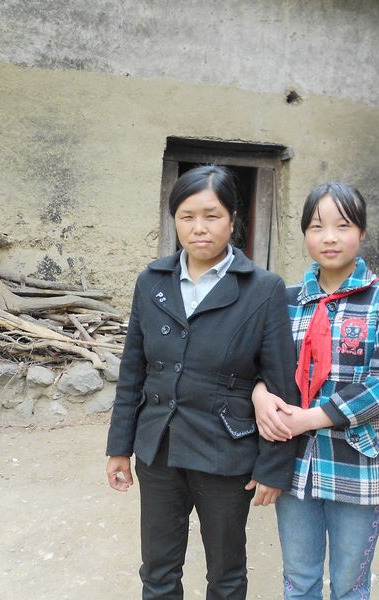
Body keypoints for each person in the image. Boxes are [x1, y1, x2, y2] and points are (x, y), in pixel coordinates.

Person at [105, 165, 299, 600]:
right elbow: (133, 370)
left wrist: (273, 465)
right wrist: (119, 446)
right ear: (174, 220)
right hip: (159, 449)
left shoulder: (263, 288)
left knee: (226, 575)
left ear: (233, 219)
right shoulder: (152, 281)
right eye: (187, 216)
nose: (199, 228)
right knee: (158, 571)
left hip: (226, 453)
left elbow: (281, 383)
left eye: (212, 216)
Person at [252, 182, 379, 600]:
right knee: (299, 580)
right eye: (317, 227)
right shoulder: (285, 300)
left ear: (362, 232)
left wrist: (309, 418)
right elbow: (262, 365)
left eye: (343, 226)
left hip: (359, 465)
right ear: (305, 233)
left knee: (349, 585)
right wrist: (259, 394)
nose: (329, 237)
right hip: (296, 465)